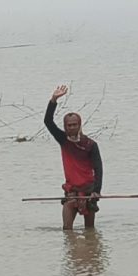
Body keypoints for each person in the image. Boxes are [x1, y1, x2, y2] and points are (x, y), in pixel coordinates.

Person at [44, 85, 103, 230]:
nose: (72, 128)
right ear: (65, 127)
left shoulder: (90, 144)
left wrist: (97, 191)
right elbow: (48, 122)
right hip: (71, 192)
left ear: (79, 125)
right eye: (69, 125)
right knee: (67, 230)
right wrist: (53, 100)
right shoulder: (63, 140)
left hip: (89, 192)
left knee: (90, 231)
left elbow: (98, 169)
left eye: (74, 125)